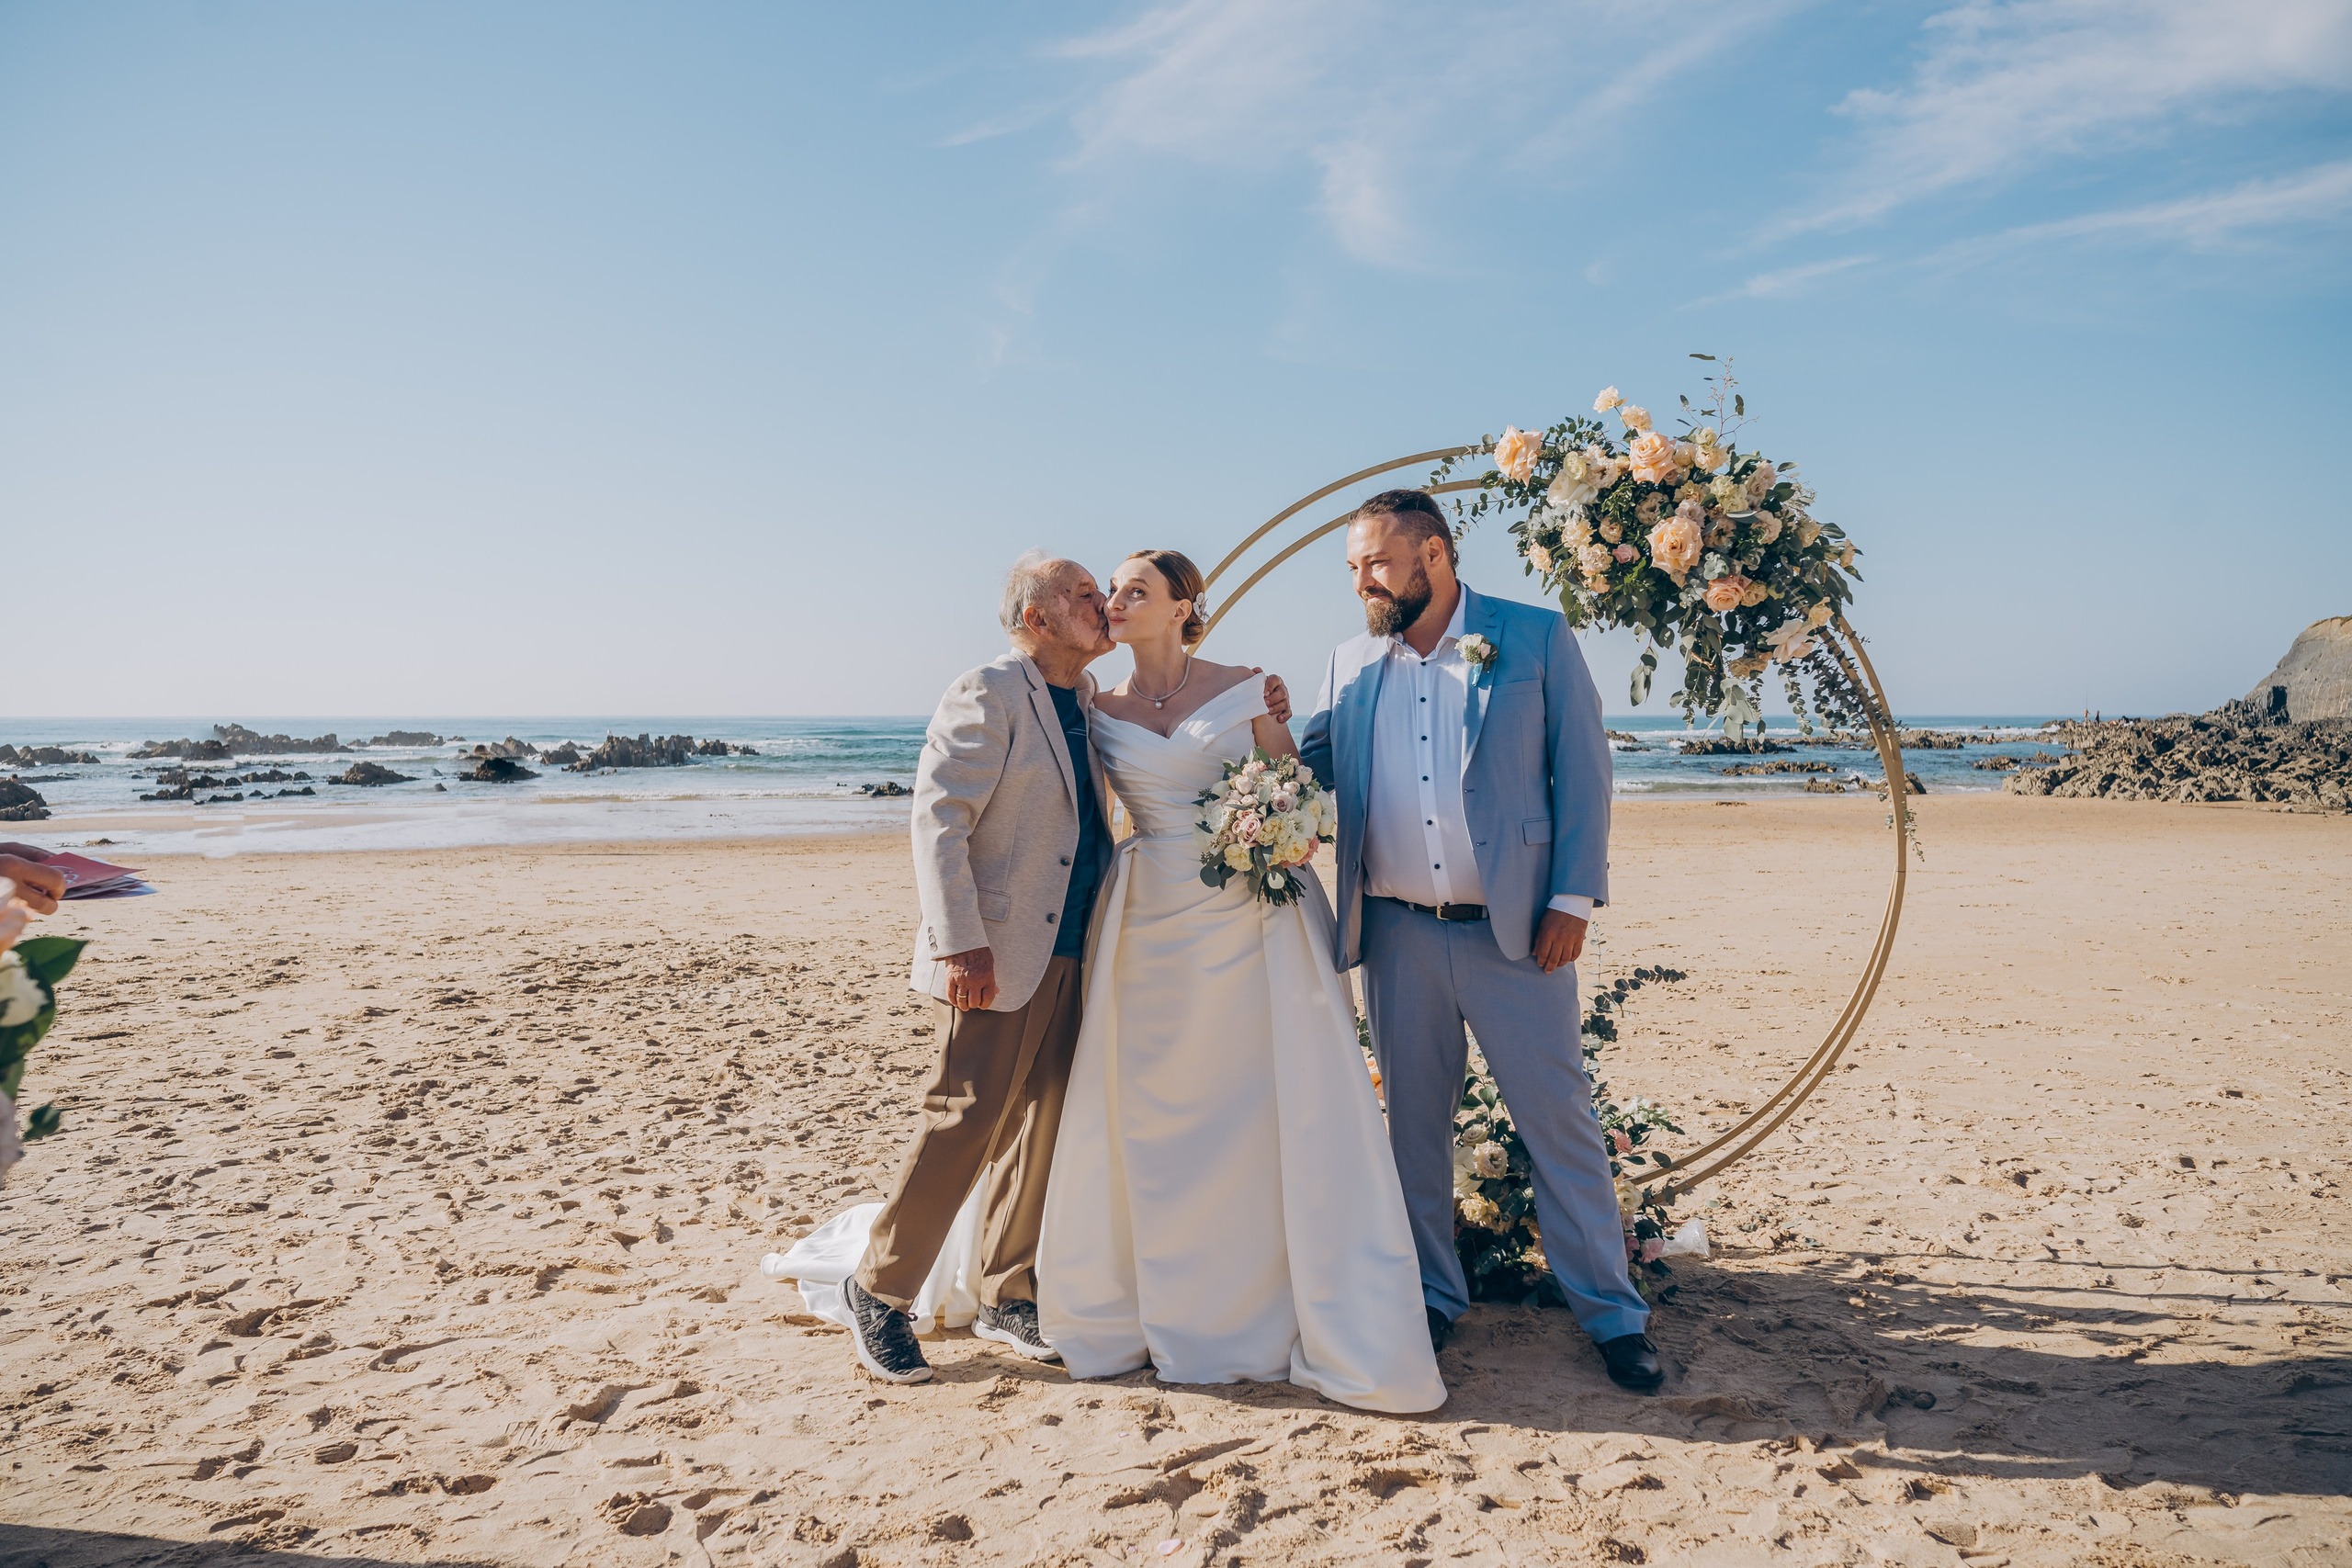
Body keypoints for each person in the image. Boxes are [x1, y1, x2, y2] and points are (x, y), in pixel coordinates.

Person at [770, 552, 1294, 1386]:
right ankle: (881, 1287)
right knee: (966, 1115)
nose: (1101, 604)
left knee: (1045, 1120)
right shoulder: (989, 690)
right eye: (1082, 594)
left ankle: (1010, 1290)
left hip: (1083, 944)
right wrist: (958, 941)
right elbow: (939, 820)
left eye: (1104, 592)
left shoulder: (1086, 699)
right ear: (1036, 618)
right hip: (998, 950)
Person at [1035, 550, 1444, 1413]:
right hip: (1148, 926)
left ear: (1186, 606)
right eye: (1110, 590)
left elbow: (1294, 793)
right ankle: (1154, 1301)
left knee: (1261, 1104)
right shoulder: (1091, 704)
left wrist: (1277, 832)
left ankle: (1266, 1300)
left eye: (1134, 589)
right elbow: (1083, 815)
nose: (1114, 601)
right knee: (1153, 1111)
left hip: (1253, 917)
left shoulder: (1253, 686)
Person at [1298, 489, 1663, 1393]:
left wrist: (1572, 898)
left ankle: (1614, 1317)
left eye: (1374, 562)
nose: (1361, 583)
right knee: (1412, 1134)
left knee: (1559, 1127)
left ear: (1432, 554)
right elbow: (1304, 769)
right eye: (1351, 568)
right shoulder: (1348, 662)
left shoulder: (1533, 638)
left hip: (1515, 934)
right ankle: (1431, 1296)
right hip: (1392, 935)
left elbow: (1583, 769)